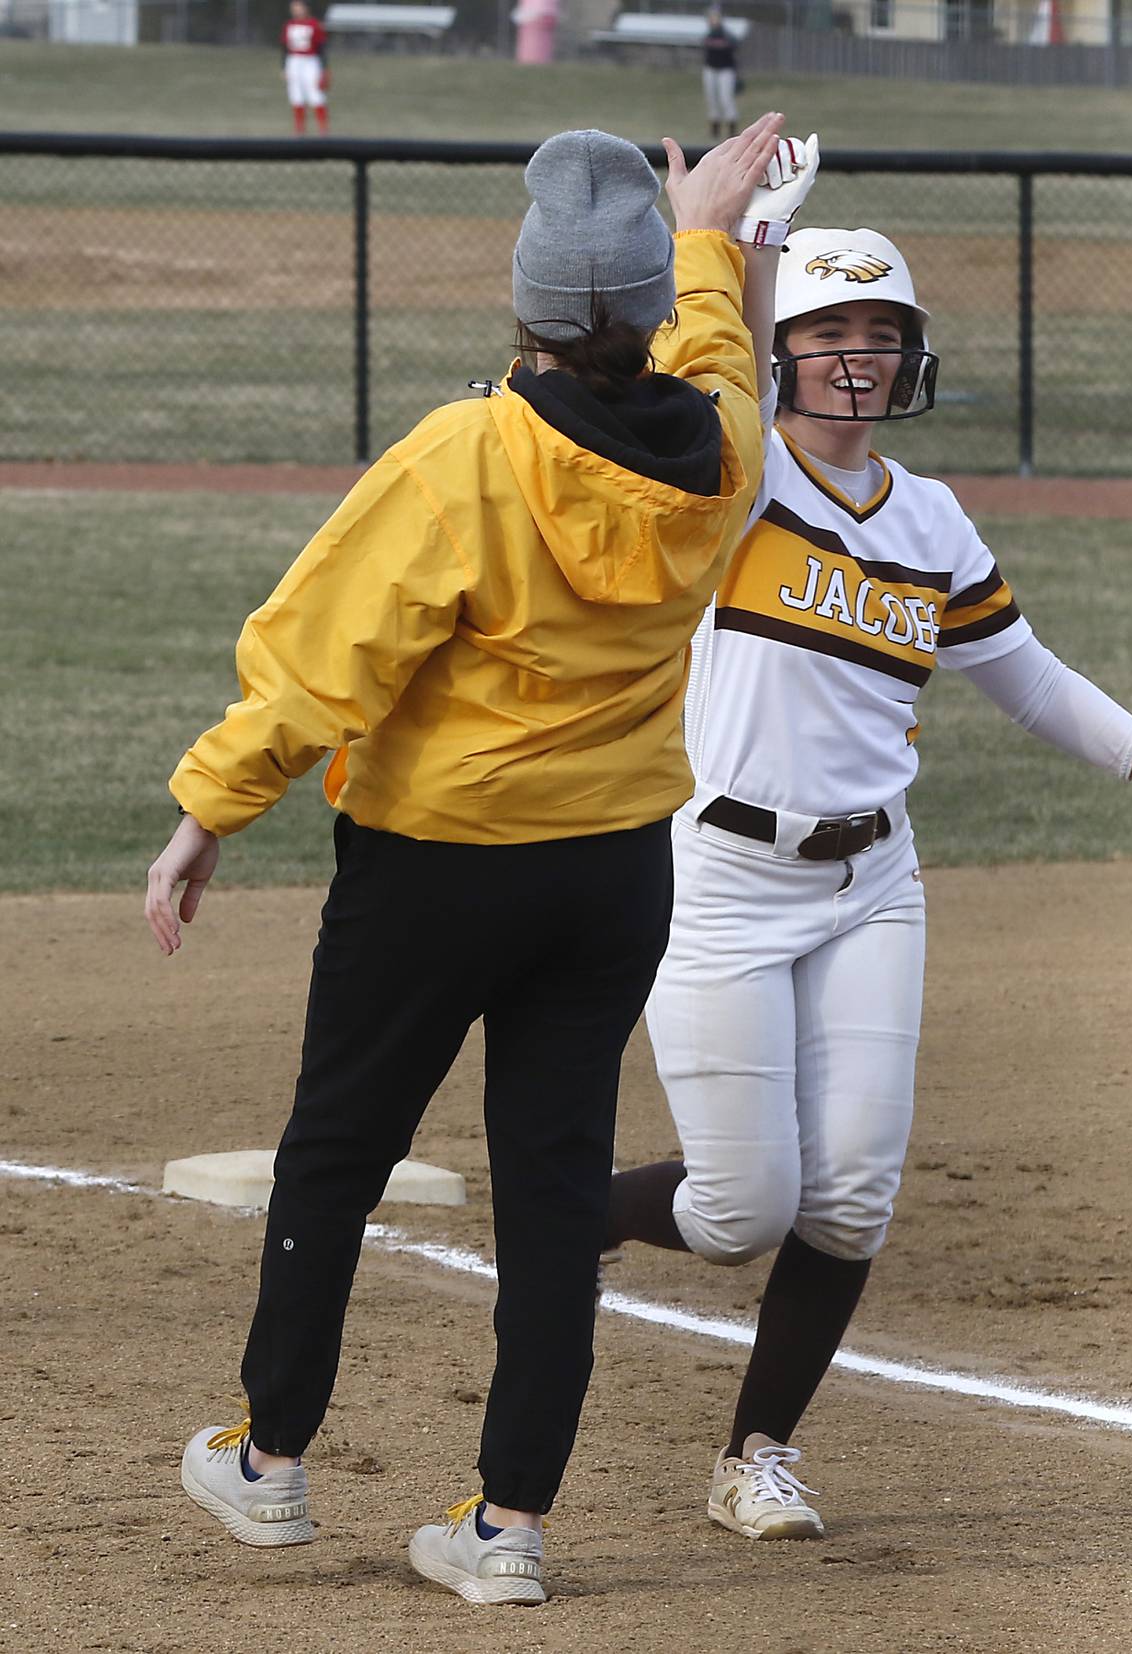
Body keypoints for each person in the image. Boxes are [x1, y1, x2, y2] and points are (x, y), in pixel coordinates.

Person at [144, 114, 790, 1606]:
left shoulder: (465, 454)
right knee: (554, 1185)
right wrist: (704, 233)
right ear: (641, 306)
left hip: (436, 867)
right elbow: (722, 355)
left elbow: (320, 664)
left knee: (338, 1149)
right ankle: (507, 1528)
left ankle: (271, 1457)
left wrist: (210, 810)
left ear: (527, 298)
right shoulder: (720, 454)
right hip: (614, 869)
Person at [603, 216, 1132, 1542]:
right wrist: (736, 245)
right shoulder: (729, 481)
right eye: (824, 336)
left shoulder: (929, 518)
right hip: (724, 879)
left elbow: (1029, 680)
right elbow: (702, 367)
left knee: (852, 1189)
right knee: (743, 1206)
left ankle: (756, 1454)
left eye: (880, 335)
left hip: (874, 880)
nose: (855, 359)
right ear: (778, 354)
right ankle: (573, 1210)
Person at [283, 0, 329, 137]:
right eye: (294, 7)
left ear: (306, 8)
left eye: (299, 7)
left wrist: (324, 69)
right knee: (296, 95)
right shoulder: (289, 25)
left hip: (310, 61)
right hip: (293, 61)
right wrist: (284, 67)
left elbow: (321, 48)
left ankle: (323, 131)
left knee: (316, 94)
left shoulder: (314, 24)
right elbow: (284, 48)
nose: (296, 10)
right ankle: (299, 131)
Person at [701, 7, 741, 142]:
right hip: (711, 69)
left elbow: (735, 47)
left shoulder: (726, 35)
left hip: (725, 70)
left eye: (716, 18)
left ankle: (731, 128)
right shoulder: (709, 35)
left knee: (726, 98)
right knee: (712, 98)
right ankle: (715, 129)